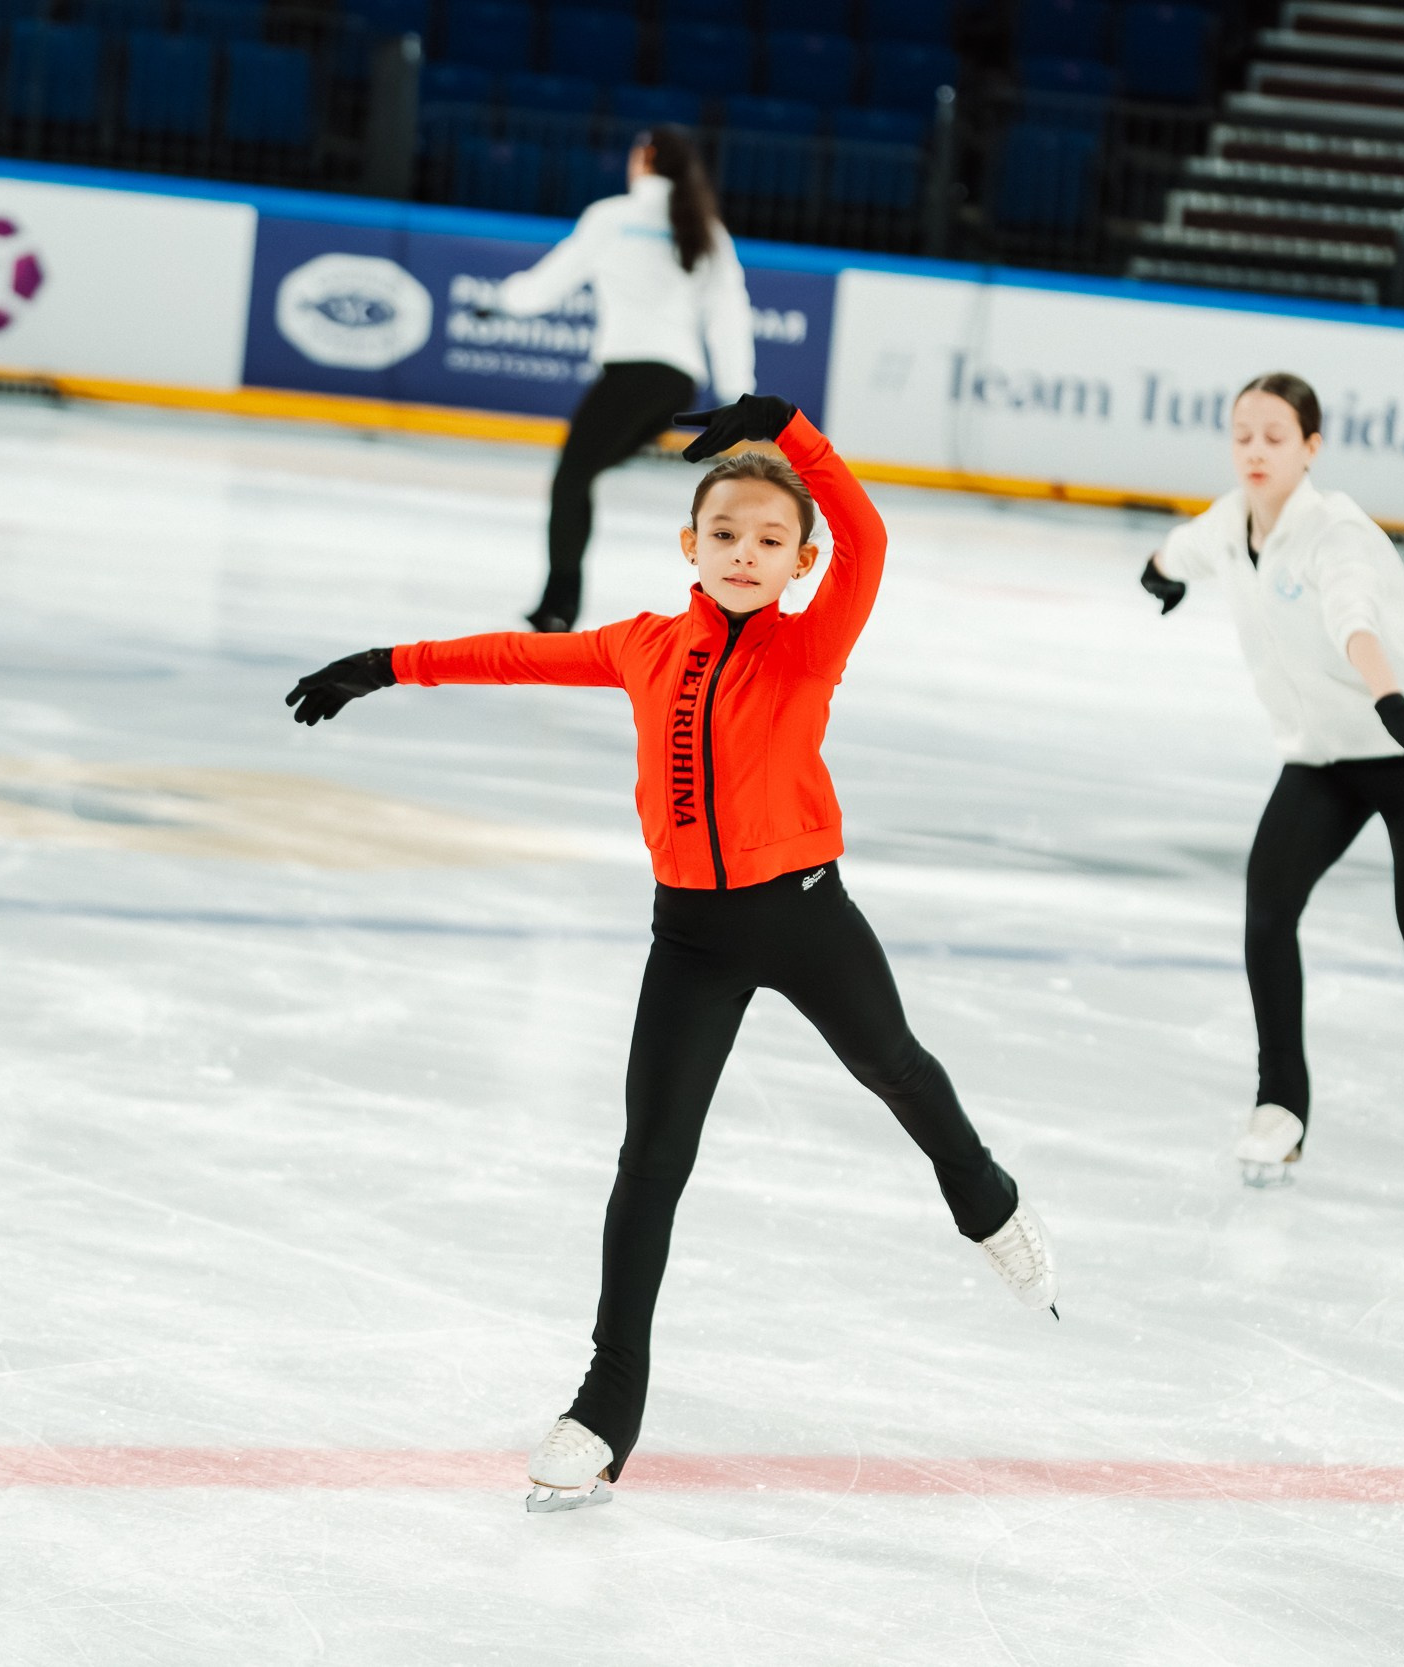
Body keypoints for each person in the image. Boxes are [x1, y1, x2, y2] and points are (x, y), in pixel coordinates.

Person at [286, 395, 1058, 1514]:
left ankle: (982, 1193)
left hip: (803, 913)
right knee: (652, 1158)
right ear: (689, 545)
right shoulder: (644, 646)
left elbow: (871, 535)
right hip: (690, 935)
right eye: (727, 533)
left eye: (771, 538)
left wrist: (794, 434)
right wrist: (385, 662)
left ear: (800, 561)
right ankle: (607, 1403)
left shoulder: (810, 641)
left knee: (890, 1063)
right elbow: (517, 653)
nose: (747, 552)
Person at [1139, 372, 1404, 1215]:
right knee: (1267, 911)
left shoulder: (1338, 535)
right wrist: (1159, 573)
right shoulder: (1230, 522)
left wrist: (1393, 699)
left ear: (1310, 448)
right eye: (1243, 433)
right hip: (1322, 759)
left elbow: (1352, 619)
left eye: (1274, 436)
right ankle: (1280, 1106)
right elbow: (1183, 548)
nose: (1255, 449)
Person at [484, 125, 756, 634]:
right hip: (677, 386)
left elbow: (545, 286)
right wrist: (738, 393)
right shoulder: (706, 228)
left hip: (633, 375)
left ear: (646, 157)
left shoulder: (612, 218)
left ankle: (559, 605)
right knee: (580, 475)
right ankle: (560, 600)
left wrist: (501, 299)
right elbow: (730, 316)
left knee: (572, 478)